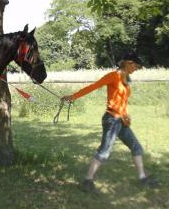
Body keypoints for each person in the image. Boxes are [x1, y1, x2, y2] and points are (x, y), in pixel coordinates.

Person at [62, 53, 158, 193]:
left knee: (136, 147)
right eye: (136, 66)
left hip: (121, 120)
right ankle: (87, 181)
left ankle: (143, 178)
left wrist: (125, 115)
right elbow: (94, 86)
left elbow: (122, 101)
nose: (137, 69)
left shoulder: (127, 79)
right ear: (128, 63)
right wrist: (73, 96)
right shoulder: (114, 75)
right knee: (104, 151)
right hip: (112, 120)